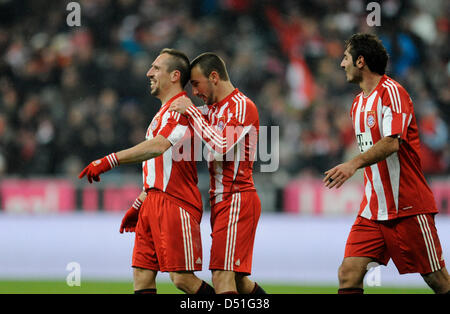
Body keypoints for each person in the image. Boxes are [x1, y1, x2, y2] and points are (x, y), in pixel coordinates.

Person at [79, 48, 214, 295]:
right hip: (153, 201)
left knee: (182, 279)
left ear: (174, 76)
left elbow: (159, 146)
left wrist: (111, 160)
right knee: (142, 275)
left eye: (155, 68)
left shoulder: (181, 109)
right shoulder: (162, 113)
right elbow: (158, 165)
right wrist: (141, 202)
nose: (148, 73)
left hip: (176, 202)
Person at [323, 33, 450, 294]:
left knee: (437, 281)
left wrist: (353, 164)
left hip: (407, 206)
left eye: (345, 58)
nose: (341, 64)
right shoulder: (357, 104)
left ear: (360, 61)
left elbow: (392, 142)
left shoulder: (392, 92)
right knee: (348, 275)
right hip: (372, 210)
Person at [169, 52, 266, 294]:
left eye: (196, 83)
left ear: (214, 77)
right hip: (221, 201)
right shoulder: (214, 110)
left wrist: (191, 112)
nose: (194, 92)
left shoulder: (242, 106)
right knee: (240, 283)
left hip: (237, 199)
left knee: (222, 277)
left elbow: (220, 145)